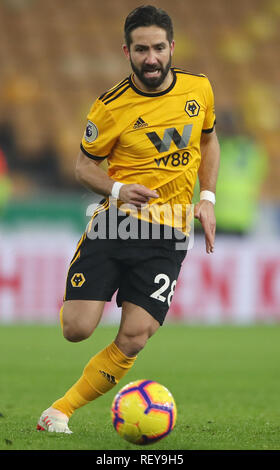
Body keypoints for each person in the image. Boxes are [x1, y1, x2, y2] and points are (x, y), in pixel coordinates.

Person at [37, 5, 220, 434]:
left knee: (136, 334)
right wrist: (118, 189)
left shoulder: (199, 90)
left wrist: (207, 197)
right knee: (76, 329)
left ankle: (59, 412)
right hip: (115, 225)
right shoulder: (109, 106)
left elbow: (209, 142)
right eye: (142, 49)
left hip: (171, 231)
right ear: (127, 51)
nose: (151, 58)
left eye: (158, 48)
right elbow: (83, 167)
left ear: (171, 47)